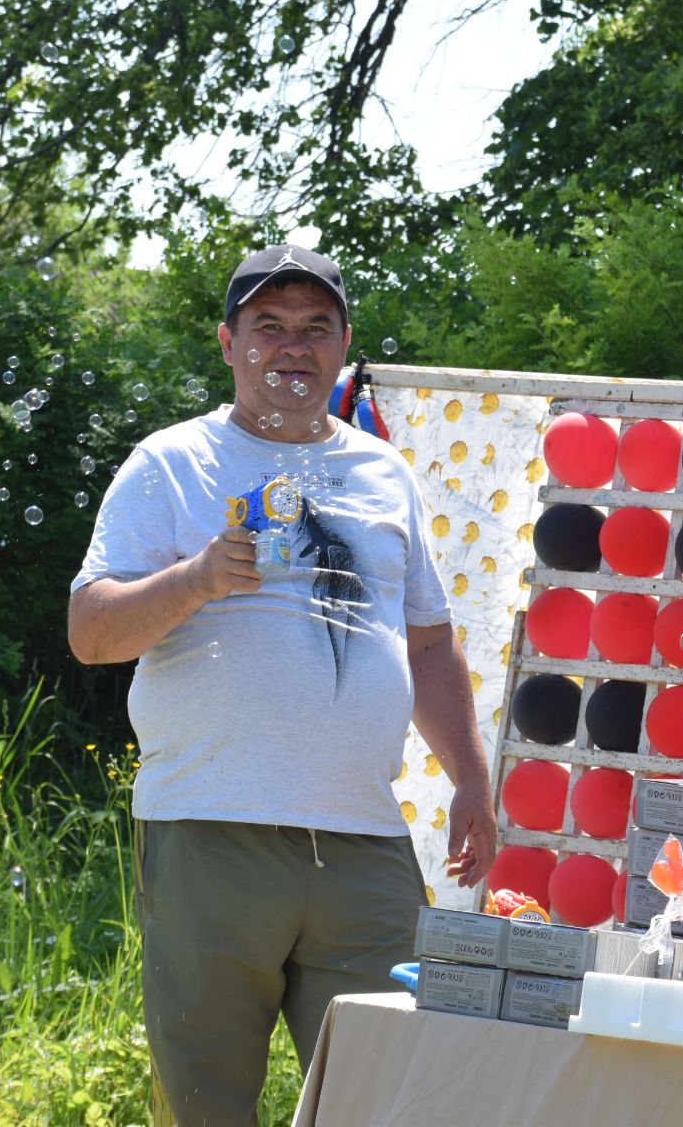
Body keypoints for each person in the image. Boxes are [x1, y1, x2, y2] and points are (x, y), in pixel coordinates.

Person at [67, 244, 497, 1126]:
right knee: (207, 1106)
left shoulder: (384, 471)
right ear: (229, 344)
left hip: (364, 838)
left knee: (393, 1102)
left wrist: (471, 778)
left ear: (343, 346)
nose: (293, 346)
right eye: (269, 326)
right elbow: (90, 632)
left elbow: (427, 645)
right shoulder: (170, 462)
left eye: (315, 327)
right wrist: (195, 580)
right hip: (209, 829)